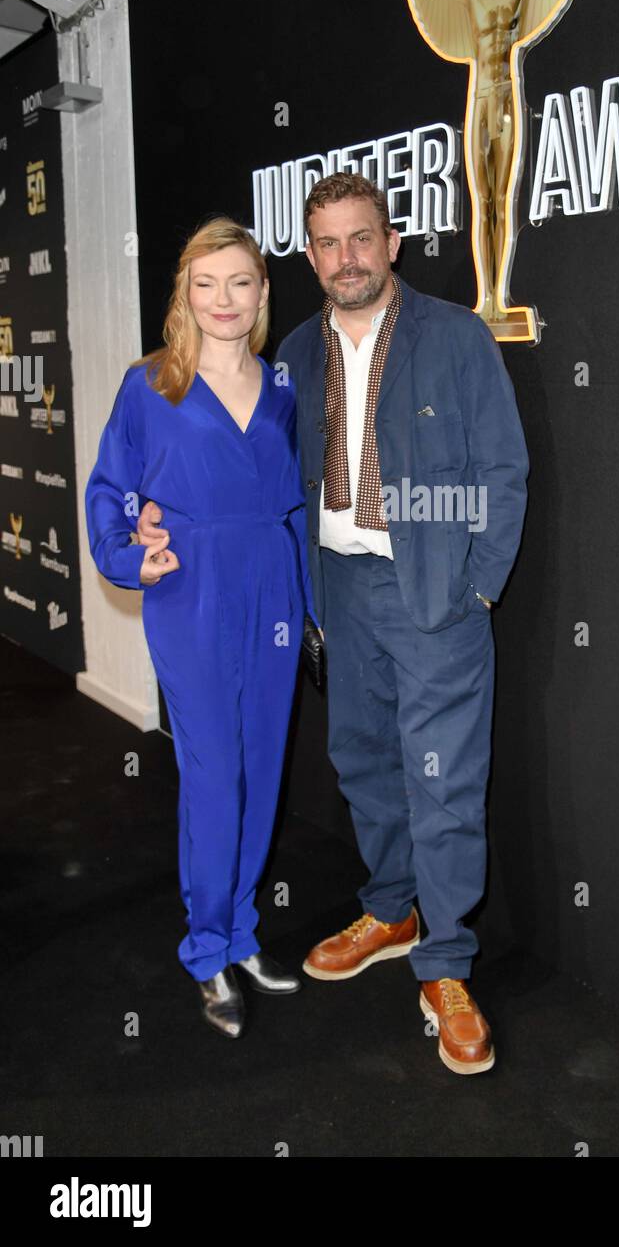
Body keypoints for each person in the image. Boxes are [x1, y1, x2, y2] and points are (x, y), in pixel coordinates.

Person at [138, 173, 529, 1074]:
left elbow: (503, 470)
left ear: (392, 244)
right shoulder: (299, 355)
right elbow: (246, 467)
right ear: (307, 258)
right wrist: (154, 518)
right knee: (362, 760)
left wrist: (477, 588)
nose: (346, 257)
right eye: (327, 243)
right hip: (338, 592)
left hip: (435, 591)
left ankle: (445, 965)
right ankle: (391, 907)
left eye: (362, 238)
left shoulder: (456, 338)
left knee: (442, 782)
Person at [84, 216, 317, 1040]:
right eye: (206, 283)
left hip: (274, 590)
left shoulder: (285, 384)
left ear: (261, 293)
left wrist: (312, 609)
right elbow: (110, 486)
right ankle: (206, 948)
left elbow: (296, 503)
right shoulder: (151, 384)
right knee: (214, 776)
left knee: (261, 771)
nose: (224, 299)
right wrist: (126, 554)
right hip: (191, 592)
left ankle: (244, 931)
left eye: (241, 283)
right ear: (184, 293)